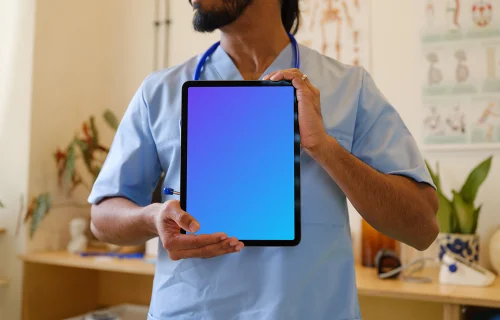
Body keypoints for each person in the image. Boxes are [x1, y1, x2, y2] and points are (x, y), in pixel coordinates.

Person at [88, 1, 439, 319]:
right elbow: (102, 218)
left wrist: (324, 147)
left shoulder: (349, 88)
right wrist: (152, 217)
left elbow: (422, 227)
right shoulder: (160, 91)